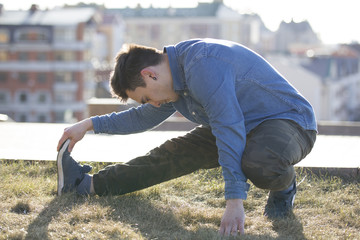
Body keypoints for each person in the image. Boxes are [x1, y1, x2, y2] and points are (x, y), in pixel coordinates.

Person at [56, 38, 317, 236]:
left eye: (147, 97)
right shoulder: (174, 81)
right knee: (173, 153)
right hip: (240, 125)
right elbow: (140, 118)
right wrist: (88, 124)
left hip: (290, 122)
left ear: (150, 74)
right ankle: (86, 185)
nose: (153, 104)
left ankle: (285, 188)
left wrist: (234, 200)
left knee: (259, 162)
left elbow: (229, 127)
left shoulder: (201, 65)